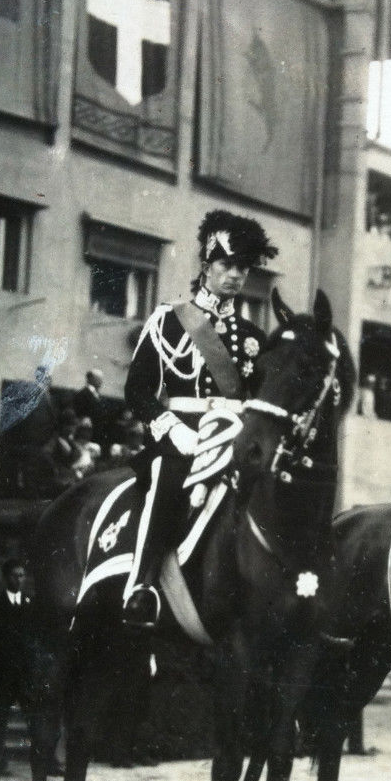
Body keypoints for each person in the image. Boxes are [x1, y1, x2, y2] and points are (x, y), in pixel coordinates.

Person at [119, 210, 275, 628]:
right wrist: (171, 429)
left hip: (235, 438)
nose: (234, 275)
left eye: (242, 267)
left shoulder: (255, 337)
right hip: (184, 436)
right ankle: (143, 586)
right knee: (168, 480)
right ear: (206, 266)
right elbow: (137, 390)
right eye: (225, 265)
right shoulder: (168, 321)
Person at [0, 559, 32, 776]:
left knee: (34, 717)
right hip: (1, 674)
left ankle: (40, 761)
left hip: (24, 674)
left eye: (22, 576)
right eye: (14, 576)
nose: (19, 580)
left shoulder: (30, 604)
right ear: (5, 578)